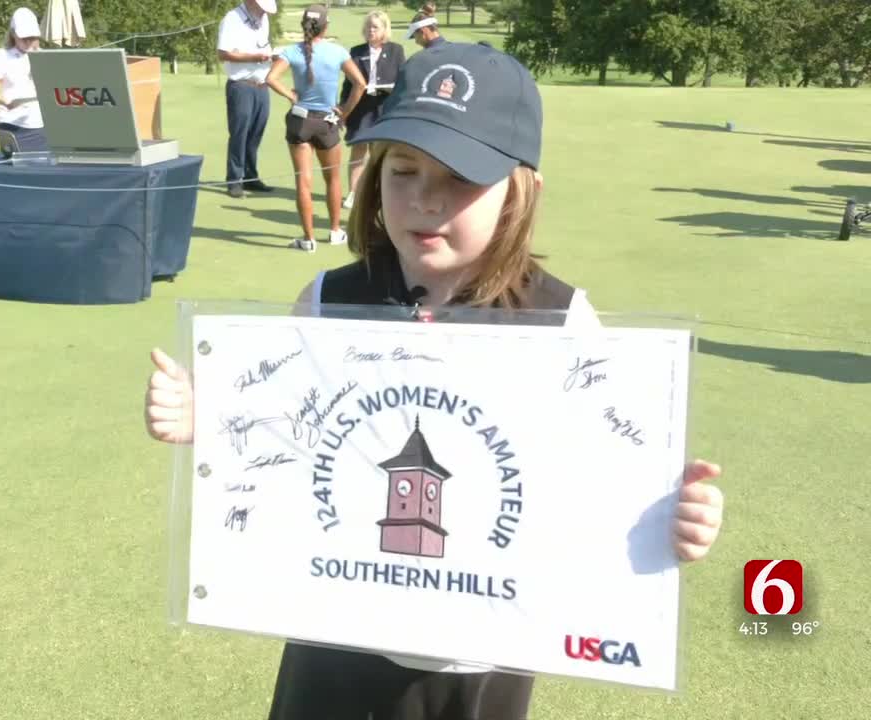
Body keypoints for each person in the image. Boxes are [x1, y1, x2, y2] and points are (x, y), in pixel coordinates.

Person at [143, 43, 727, 720]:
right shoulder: (328, 300)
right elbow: (282, 440)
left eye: (458, 178)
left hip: (480, 656)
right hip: (335, 633)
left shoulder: (563, 320)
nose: (423, 199)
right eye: (404, 170)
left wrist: (670, 519)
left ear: (522, 189)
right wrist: (206, 422)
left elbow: (598, 469)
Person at [266, 4, 364, 252]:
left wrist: (291, 95)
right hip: (326, 123)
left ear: (303, 25)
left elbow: (270, 78)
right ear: (326, 26)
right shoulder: (337, 52)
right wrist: (344, 111)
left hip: (299, 121)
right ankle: (334, 232)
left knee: (303, 182)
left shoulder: (292, 51)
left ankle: (308, 240)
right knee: (332, 179)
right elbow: (360, 84)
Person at [340, 10, 404, 210]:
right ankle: (353, 193)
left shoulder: (396, 50)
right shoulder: (356, 51)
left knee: (379, 153)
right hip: (361, 108)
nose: (370, 30)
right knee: (358, 151)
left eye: (375, 27)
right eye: (368, 26)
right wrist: (343, 109)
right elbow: (349, 84)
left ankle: (379, 193)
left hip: (384, 107)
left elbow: (402, 81)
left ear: (385, 29)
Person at [216, 0, 276, 199]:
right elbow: (223, 53)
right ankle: (234, 180)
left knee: (256, 134)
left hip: (261, 85)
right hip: (241, 85)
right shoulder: (232, 19)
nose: (263, 11)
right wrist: (255, 57)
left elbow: (263, 45)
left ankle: (251, 177)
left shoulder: (263, 19)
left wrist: (267, 56)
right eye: (260, 7)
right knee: (239, 134)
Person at [0, 7, 47, 157]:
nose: (28, 42)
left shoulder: (45, 57)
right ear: (13, 35)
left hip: (40, 125)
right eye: (23, 38)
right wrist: (6, 101)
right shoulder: (2, 56)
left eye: (32, 38)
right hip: (11, 124)